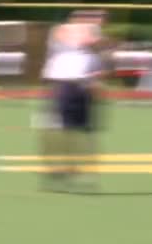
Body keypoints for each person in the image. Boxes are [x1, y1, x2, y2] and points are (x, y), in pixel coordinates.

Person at [39, 10, 108, 192]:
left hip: (79, 90)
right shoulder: (62, 54)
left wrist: (96, 91)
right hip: (64, 89)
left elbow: (97, 76)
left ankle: (80, 171)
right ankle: (62, 169)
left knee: (81, 133)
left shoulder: (90, 57)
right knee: (58, 133)